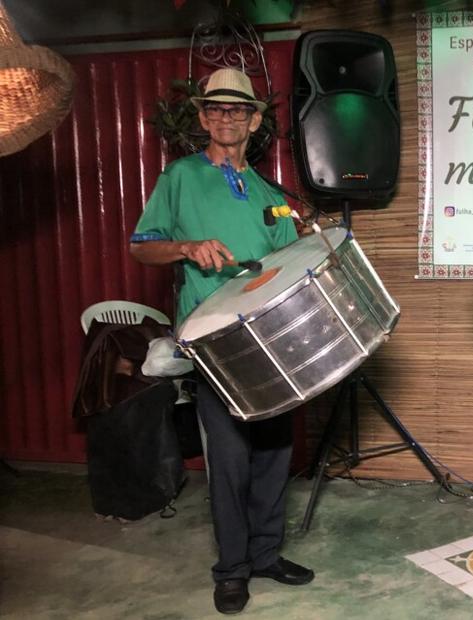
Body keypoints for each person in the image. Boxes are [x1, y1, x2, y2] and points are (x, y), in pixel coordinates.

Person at [129, 68, 313, 614]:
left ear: (255, 122)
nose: (226, 118)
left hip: (269, 336)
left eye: (238, 110)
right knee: (230, 457)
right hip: (212, 340)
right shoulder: (180, 177)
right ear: (204, 119)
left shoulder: (269, 192)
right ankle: (232, 569)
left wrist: (308, 240)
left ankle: (265, 554)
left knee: (275, 451)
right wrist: (186, 248)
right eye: (216, 109)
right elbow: (141, 246)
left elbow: (285, 260)